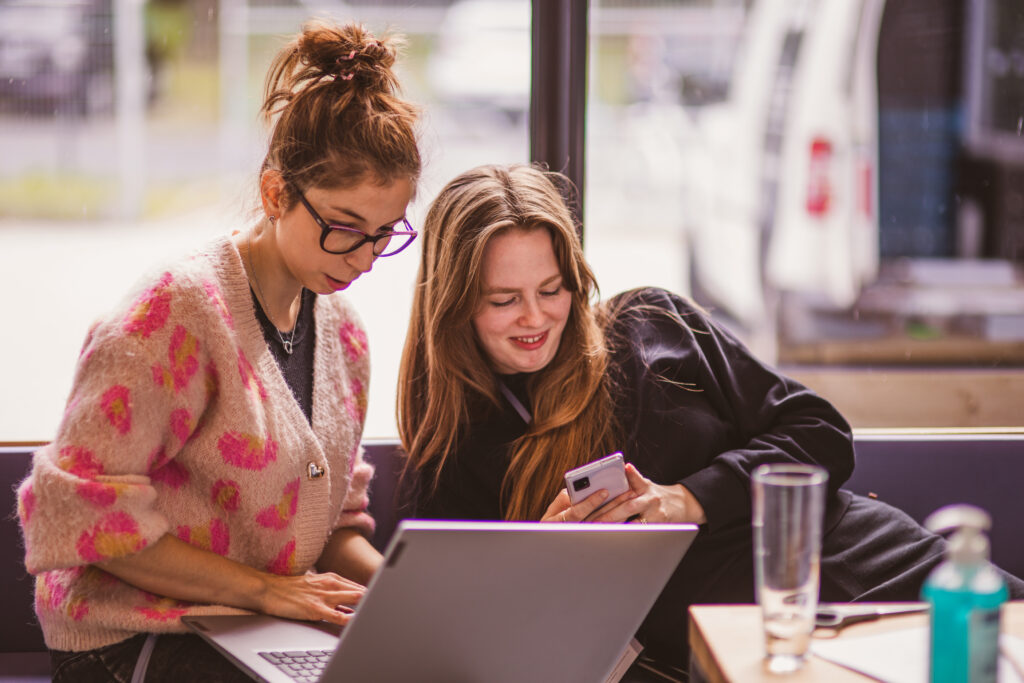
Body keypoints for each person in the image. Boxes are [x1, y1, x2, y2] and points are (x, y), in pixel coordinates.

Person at [397, 163, 1024, 671]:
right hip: (744, 653)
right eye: (504, 300)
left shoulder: (648, 325)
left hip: (865, 569)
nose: (536, 318)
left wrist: (685, 500)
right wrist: (548, 558)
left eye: (553, 289)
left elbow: (822, 435)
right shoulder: (457, 450)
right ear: (455, 307)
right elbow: (469, 640)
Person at [17, 20, 421, 682]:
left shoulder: (344, 333)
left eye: (384, 234)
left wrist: (404, 598)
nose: (366, 258)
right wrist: (264, 590)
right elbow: (82, 517)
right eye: (344, 229)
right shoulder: (174, 312)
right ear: (275, 192)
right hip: (126, 636)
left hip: (257, 626)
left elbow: (335, 525)